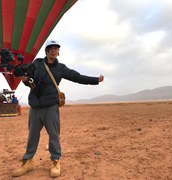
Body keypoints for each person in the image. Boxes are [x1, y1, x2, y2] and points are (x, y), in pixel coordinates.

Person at [12, 39, 104, 178]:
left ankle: (55, 161)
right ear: (46, 51)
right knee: (32, 136)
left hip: (51, 106)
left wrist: (96, 80)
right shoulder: (37, 63)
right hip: (35, 106)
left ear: (58, 52)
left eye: (56, 48)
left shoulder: (60, 68)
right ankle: (28, 162)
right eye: (51, 48)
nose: (54, 51)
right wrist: (24, 79)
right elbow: (29, 81)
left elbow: (77, 77)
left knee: (54, 135)